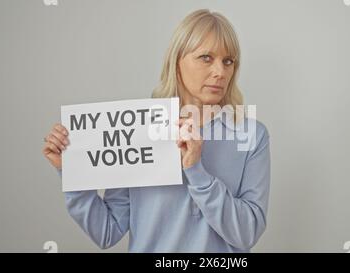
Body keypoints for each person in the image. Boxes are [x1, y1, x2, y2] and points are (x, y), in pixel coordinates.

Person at [42, 9, 270, 252]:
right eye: (206, 57)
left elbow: (248, 233)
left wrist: (196, 170)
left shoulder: (252, 135)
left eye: (228, 61)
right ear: (177, 61)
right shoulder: (139, 129)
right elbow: (107, 231)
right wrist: (72, 171)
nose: (220, 72)